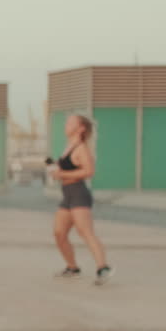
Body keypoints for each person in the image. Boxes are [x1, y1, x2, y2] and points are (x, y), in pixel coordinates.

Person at [51, 114, 112, 285]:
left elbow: (89, 171)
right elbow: (67, 168)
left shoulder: (81, 148)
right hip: (67, 194)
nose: (66, 124)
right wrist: (56, 170)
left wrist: (62, 173)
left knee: (85, 231)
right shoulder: (69, 146)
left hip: (78, 193)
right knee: (59, 233)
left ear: (81, 128)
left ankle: (103, 268)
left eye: (71, 122)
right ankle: (72, 268)